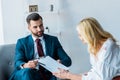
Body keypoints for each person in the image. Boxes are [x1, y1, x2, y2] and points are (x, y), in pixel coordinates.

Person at [52, 17, 120, 80]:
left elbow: (102, 77)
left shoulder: (108, 47)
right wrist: (69, 74)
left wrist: (69, 75)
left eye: (80, 34)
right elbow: (95, 72)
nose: (79, 37)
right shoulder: (93, 47)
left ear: (89, 33)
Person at [9, 13, 72, 80]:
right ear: (29, 28)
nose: (39, 29)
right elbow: (18, 62)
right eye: (35, 27)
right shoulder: (22, 42)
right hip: (28, 74)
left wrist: (60, 62)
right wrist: (26, 65)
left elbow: (67, 60)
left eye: (41, 25)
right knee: (27, 72)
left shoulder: (53, 40)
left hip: (47, 75)